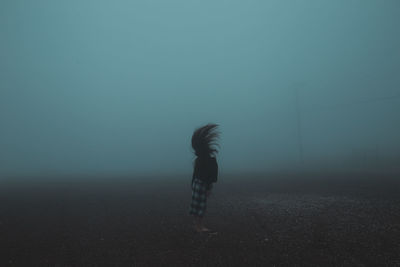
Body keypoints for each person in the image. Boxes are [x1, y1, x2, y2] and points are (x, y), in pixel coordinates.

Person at [189, 123, 219, 233]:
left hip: (198, 184)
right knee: (200, 206)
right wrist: (208, 188)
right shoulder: (206, 159)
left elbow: (200, 174)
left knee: (197, 206)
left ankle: (198, 225)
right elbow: (209, 175)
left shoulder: (202, 159)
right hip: (201, 184)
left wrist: (193, 184)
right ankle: (199, 226)